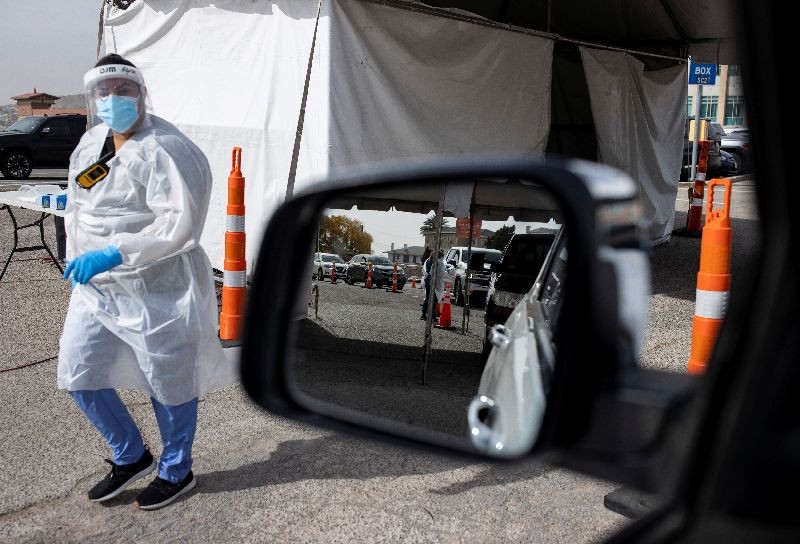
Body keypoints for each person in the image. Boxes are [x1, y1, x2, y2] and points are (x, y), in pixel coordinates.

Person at [58, 54, 236, 510]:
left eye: (124, 89)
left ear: (142, 93)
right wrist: (77, 251)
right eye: (105, 92)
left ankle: (177, 470)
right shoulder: (92, 140)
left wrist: (114, 251)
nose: (114, 99)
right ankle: (130, 454)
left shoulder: (166, 148)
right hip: (97, 288)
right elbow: (81, 202)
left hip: (155, 286)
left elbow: (180, 225)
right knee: (79, 372)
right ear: (92, 98)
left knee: (168, 380)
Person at [421, 249, 449, 320]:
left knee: (428, 297)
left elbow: (424, 270)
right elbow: (441, 273)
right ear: (439, 256)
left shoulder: (428, 260)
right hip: (434, 282)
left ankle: (424, 314)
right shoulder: (438, 262)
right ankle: (432, 315)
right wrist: (447, 271)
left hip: (427, 280)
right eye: (442, 256)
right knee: (434, 299)